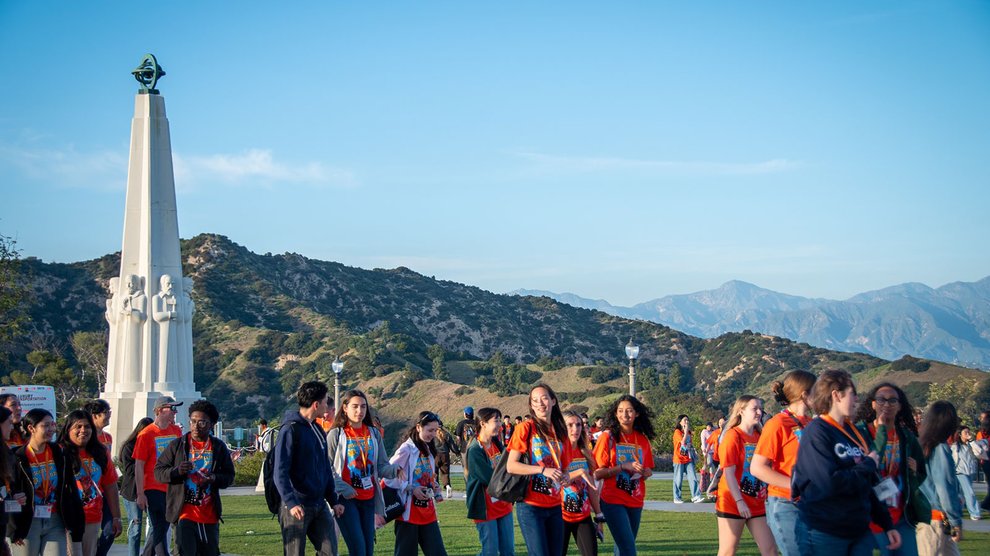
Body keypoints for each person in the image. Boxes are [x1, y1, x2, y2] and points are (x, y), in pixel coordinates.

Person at [792, 370, 900, 555]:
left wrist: (886, 523)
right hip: (824, 530)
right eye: (852, 393)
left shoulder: (854, 432)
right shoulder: (817, 432)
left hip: (858, 530)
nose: (857, 399)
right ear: (836, 395)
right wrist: (867, 464)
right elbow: (829, 482)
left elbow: (869, 482)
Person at [154, 399, 235, 556]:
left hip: (209, 515)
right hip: (184, 513)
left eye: (202, 422)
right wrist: (177, 471)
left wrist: (214, 478)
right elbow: (159, 472)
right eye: (193, 421)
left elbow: (229, 477)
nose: (196, 426)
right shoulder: (177, 445)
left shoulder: (218, 447)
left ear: (212, 425)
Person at [326, 390, 402, 556]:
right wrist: (343, 487)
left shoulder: (373, 433)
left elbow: (381, 466)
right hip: (346, 499)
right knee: (358, 549)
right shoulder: (336, 434)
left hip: (368, 498)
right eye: (355, 406)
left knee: (368, 550)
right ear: (345, 408)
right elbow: (326, 467)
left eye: (363, 406)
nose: (359, 411)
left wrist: (395, 470)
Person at [854, 382, 925, 555]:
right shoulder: (860, 433)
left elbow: (922, 474)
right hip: (869, 515)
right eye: (881, 400)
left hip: (901, 514)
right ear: (873, 404)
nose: (887, 404)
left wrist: (914, 472)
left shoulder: (907, 437)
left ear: (900, 406)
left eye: (893, 400)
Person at [274, 381, 343, 556]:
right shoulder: (289, 430)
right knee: (295, 553)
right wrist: (291, 502)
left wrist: (333, 500)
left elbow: (325, 468)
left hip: (319, 503)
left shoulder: (318, 429)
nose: (327, 406)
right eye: (325, 401)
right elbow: (280, 471)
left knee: (330, 551)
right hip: (297, 505)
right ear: (316, 405)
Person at [750, 370, 814, 556]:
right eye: (817, 390)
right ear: (805, 394)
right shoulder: (777, 423)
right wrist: (795, 485)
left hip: (812, 502)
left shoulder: (812, 423)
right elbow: (757, 467)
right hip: (786, 503)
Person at [506, 384, 574, 556]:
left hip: (555, 505)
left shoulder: (560, 431)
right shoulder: (525, 428)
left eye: (544, 398)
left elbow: (564, 467)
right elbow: (511, 465)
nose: (540, 404)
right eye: (535, 400)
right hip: (531, 506)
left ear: (553, 401)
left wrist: (566, 477)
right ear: (531, 405)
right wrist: (542, 470)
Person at [10, 408, 85, 555]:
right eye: (46, 425)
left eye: (52, 424)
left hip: (55, 519)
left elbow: (71, 489)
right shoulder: (17, 457)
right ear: (31, 428)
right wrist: (13, 528)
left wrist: (76, 522)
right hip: (28, 521)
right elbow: (10, 488)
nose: (51, 429)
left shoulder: (60, 453)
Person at [592, 394, 655, 556]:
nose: (624, 415)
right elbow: (597, 473)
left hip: (636, 500)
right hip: (613, 501)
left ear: (637, 413)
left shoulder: (642, 439)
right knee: (628, 550)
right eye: (620, 411)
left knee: (623, 549)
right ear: (615, 413)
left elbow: (647, 470)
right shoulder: (607, 437)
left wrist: (646, 472)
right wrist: (622, 467)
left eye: (629, 410)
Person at [714, 396, 776, 556]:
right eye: (754, 409)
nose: (759, 412)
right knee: (728, 551)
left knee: (770, 550)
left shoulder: (760, 436)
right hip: (733, 501)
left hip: (756, 502)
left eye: (760, 408)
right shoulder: (733, 435)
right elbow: (728, 472)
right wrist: (739, 501)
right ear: (741, 411)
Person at [57, 410, 123, 556]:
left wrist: (116, 517)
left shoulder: (101, 452)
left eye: (87, 426)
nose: (83, 430)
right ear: (68, 429)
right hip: (67, 517)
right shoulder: (60, 452)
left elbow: (110, 485)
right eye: (78, 426)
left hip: (92, 515)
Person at [385, 411, 449, 556]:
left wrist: (434, 485)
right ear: (419, 427)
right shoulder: (406, 449)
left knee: (438, 552)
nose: (433, 434)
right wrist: (410, 488)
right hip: (408, 514)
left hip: (427, 511)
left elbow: (425, 475)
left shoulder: (428, 448)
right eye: (430, 430)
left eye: (435, 430)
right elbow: (388, 476)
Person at [133, 396, 184, 556]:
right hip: (153, 487)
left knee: (161, 527)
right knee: (160, 525)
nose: (175, 412)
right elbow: (139, 465)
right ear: (160, 410)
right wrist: (140, 494)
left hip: (172, 487)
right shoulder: (146, 434)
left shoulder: (176, 431)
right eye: (172, 408)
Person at [465, 408, 514, 556]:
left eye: (500, 420)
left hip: (503, 505)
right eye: (496, 421)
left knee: (508, 551)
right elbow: (490, 478)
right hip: (486, 509)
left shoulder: (497, 444)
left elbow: (509, 467)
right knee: (490, 551)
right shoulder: (475, 450)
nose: (500, 424)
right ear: (483, 424)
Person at [916, 401, 963, 555]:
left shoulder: (923, 445)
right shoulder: (940, 448)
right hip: (936, 519)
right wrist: (956, 521)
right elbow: (944, 488)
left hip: (930, 517)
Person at [561, 410, 602, 556]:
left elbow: (591, 488)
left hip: (582, 515)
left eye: (578, 425)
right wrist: (579, 472)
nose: (575, 429)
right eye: (570, 425)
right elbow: (557, 481)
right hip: (560, 516)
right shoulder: (557, 451)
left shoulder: (585, 453)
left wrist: (599, 515)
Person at [83, 399, 115, 556]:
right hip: (90, 493)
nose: (109, 415)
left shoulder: (108, 437)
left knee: (110, 530)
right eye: (106, 412)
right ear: (94, 416)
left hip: (105, 490)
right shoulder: (85, 438)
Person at [119, 418, 154, 556]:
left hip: (150, 490)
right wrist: (144, 462)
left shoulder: (153, 445)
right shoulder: (129, 446)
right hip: (132, 492)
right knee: (135, 528)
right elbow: (129, 470)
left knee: (155, 525)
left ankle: (147, 553)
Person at [0, 405, 23, 556]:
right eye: (9, 423)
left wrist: (13, 495)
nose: (12, 427)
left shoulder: (6, 451)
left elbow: (8, 482)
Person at [951, 426, 983, 520]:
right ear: (960, 434)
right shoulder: (956, 446)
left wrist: (972, 441)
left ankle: (957, 510)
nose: (968, 434)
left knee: (960, 493)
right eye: (965, 433)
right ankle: (975, 513)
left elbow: (979, 452)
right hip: (960, 472)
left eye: (969, 432)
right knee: (970, 492)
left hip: (970, 472)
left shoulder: (972, 444)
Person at [672, 414, 702, 504]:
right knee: (678, 479)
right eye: (685, 420)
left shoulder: (688, 432)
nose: (687, 422)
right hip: (679, 459)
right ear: (680, 422)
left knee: (693, 477)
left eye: (687, 420)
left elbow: (689, 444)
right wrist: (685, 432)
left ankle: (696, 496)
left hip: (688, 458)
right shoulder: (677, 432)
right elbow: (682, 442)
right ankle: (677, 497)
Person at [434, 427, 459, 499]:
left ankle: (436, 490)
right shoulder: (446, 434)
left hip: (435, 455)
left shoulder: (432, 434)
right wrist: (457, 451)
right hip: (445, 455)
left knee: (435, 473)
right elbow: (452, 446)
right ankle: (447, 486)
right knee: (445, 473)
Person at [700, 422, 715, 493]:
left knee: (712, 466)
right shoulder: (704, 432)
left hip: (713, 451)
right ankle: (703, 471)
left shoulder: (713, 432)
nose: (709, 427)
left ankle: (711, 480)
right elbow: (703, 441)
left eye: (710, 426)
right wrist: (704, 449)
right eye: (708, 426)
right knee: (709, 462)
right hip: (707, 451)